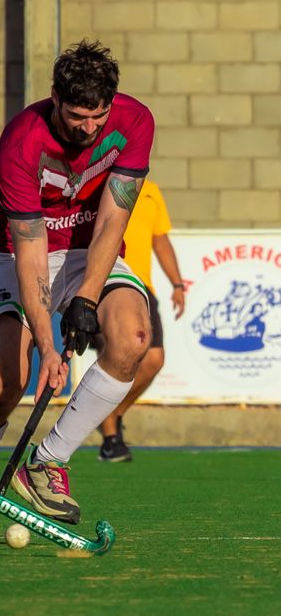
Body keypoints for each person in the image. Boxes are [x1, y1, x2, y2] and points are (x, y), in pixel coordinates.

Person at [0, 40, 155, 549]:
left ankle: (47, 463)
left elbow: (114, 220)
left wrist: (87, 299)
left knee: (134, 337)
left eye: (97, 117)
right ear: (55, 98)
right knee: (8, 380)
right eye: (76, 116)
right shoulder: (21, 141)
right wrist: (49, 346)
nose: (88, 129)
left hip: (86, 247)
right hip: (15, 249)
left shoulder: (135, 122)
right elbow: (30, 252)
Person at [97, 178, 185, 461]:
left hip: (142, 286)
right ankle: (110, 438)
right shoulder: (97, 182)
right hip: (105, 281)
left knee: (154, 359)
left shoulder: (151, 190)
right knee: (115, 355)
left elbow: (160, 239)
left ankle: (111, 413)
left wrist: (177, 284)